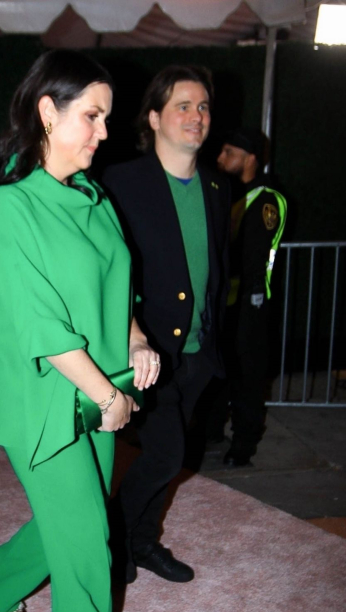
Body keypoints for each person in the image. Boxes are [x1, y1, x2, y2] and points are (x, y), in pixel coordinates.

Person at [0, 50, 159, 612]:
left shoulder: (94, 199)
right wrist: (107, 396)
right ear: (48, 112)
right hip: (43, 400)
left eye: (107, 117)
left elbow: (117, 284)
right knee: (84, 532)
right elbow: (41, 328)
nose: (104, 133)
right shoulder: (9, 211)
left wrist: (134, 340)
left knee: (67, 518)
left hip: (99, 387)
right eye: (92, 116)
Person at [103, 65, 230, 584]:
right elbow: (108, 269)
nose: (196, 116)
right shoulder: (120, 182)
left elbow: (214, 267)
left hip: (198, 350)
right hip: (146, 350)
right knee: (165, 453)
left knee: (170, 456)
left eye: (202, 107)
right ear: (154, 117)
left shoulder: (219, 185)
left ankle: (141, 543)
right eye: (182, 106)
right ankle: (112, 544)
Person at [211, 127, 287, 467]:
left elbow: (251, 253)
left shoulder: (266, 199)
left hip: (251, 302)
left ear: (250, 158)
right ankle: (213, 430)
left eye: (229, 152)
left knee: (247, 373)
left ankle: (243, 444)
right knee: (219, 367)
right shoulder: (226, 191)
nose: (221, 159)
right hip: (226, 297)